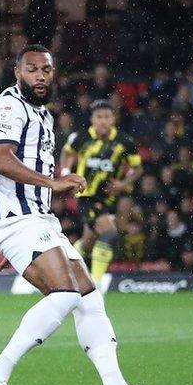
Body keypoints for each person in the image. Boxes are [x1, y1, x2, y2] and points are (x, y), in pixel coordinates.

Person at [0, 45, 167, 385]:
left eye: (46, 69)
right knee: (65, 292)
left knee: (89, 298)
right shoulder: (10, 107)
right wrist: (53, 183)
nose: (40, 76)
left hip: (36, 221)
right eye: (32, 69)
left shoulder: (43, 116)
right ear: (17, 72)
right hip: (18, 220)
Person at [59, 100, 143, 286]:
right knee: (110, 233)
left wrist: (123, 184)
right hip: (86, 196)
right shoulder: (81, 137)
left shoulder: (125, 142)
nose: (103, 121)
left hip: (109, 198)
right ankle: (96, 285)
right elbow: (66, 153)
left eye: (107, 117)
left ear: (113, 119)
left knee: (88, 242)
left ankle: (65, 273)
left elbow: (137, 168)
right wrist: (66, 174)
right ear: (92, 119)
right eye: (99, 117)